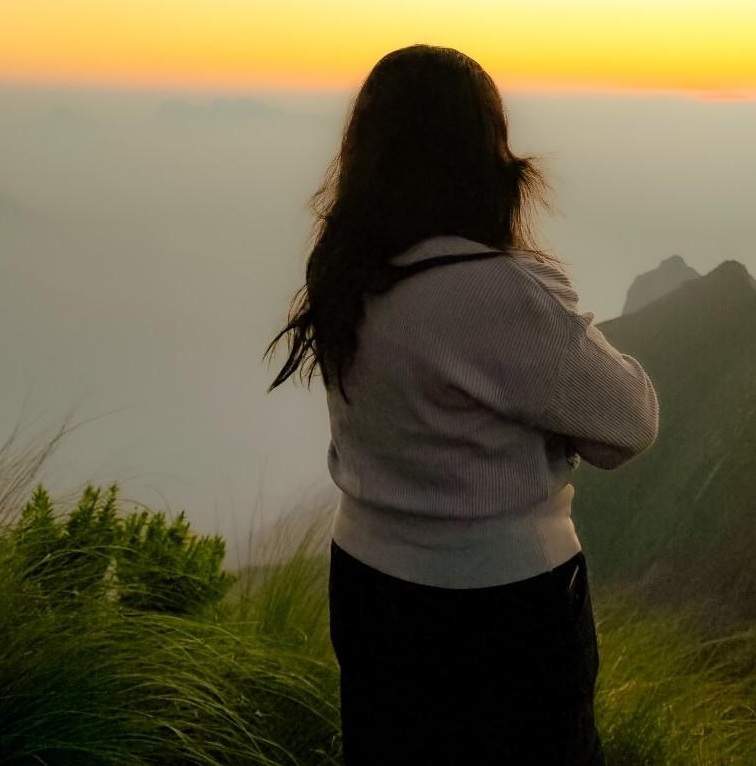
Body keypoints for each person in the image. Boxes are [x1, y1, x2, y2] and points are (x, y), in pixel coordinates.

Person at [268, 44, 658, 766]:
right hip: (503, 607)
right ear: (484, 156)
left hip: (366, 583)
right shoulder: (506, 293)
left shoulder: (346, 274)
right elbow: (630, 420)